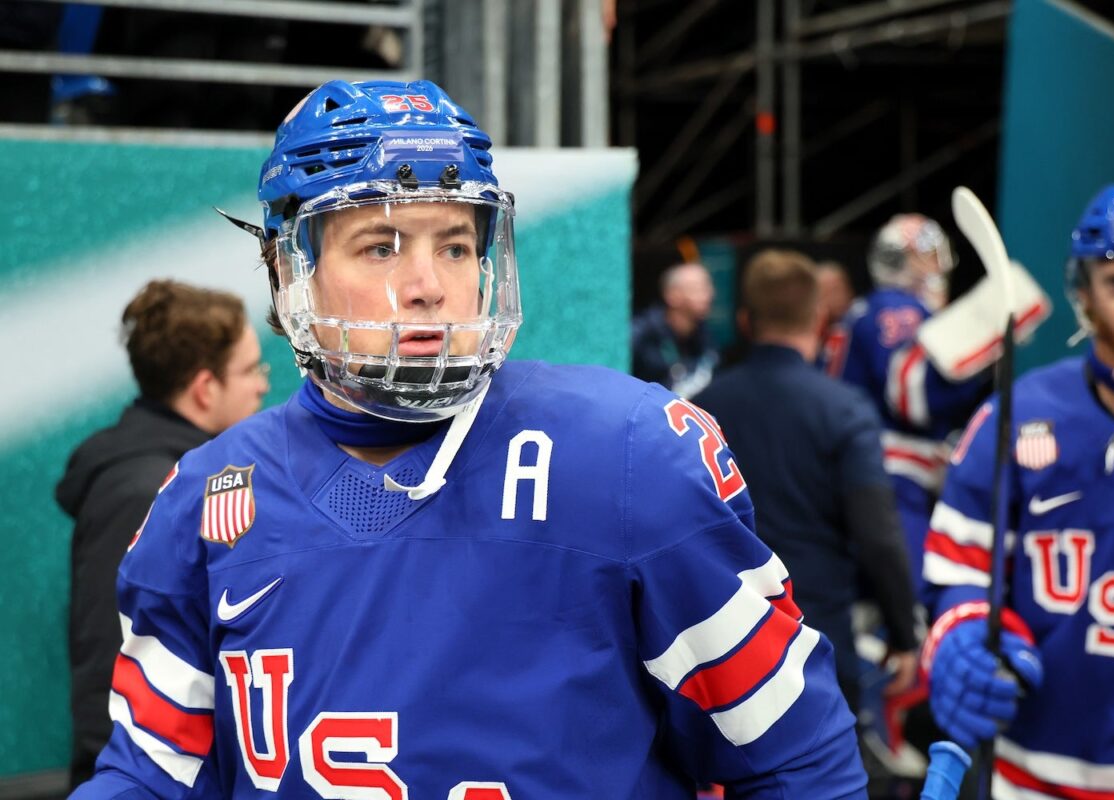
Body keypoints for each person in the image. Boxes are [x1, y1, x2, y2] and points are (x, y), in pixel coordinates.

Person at [70, 79, 866, 799]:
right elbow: (149, 776)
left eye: (455, 244)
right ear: (289, 271)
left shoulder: (627, 455)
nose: (430, 286)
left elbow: (793, 758)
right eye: (381, 245)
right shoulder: (205, 499)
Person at [923, 183, 1114, 798]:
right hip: (1030, 776)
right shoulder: (1019, 413)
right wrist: (964, 634)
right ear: (1085, 292)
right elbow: (958, 571)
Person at [56, 279, 269, 788]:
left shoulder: (177, 477)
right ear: (204, 388)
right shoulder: (150, 493)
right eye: (249, 370)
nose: (262, 385)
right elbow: (111, 675)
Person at [694, 248, 919, 721]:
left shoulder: (700, 410)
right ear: (819, 319)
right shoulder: (845, 410)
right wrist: (904, 635)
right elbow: (877, 536)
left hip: (721, 654)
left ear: (744, 321)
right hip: (818, 645)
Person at [824, 214, 1048, 594]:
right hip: (893, 473)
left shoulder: (868, 308)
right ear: (900, 260)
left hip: (865, 468)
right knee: (912, 596)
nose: (936, 265)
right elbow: (910, 395)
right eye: (925, 254)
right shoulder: (896, 308)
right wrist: (984, 340)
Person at [631, 260, 720, 398]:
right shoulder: (642, 334)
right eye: (698, 289)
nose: (709, 295)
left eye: (709, 287)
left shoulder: (705, 336)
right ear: (672, 295)